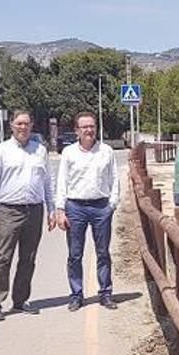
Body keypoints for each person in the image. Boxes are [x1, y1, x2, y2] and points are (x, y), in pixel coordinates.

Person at [0, 111, 56, 322]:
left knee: (28, 258)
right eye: (19, 123)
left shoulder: (40, 150)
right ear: (11, 125)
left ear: (32, 125)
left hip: (34, 210)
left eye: (27, 123)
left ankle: (20, 300)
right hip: (9, 210)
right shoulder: (1, 151)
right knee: (4, 256)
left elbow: (47, 182)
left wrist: (51, 209)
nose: (23, 127)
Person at [56, 111, 119, 311]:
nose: (89, 130)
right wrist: (60, 209)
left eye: (92, 126)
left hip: (101, 207)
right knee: (75, 254)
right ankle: (76, 294)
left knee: (103, 253)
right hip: (75, 208)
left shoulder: (106, 151)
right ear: (77, 131)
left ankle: (105, 293)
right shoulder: (69, 153)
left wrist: (112, 204)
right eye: (84, 127)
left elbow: (114, 179)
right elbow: (61, 182)